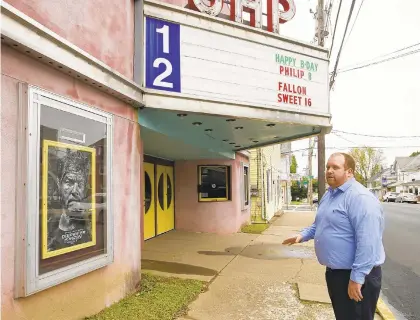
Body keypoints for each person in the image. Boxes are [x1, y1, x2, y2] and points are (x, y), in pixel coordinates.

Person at [282, 152, 385, 320]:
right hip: (336, 274)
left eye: (335, 167)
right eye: (328, 167)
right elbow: (320, 223)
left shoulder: (361, 198)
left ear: (349, 172)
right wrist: (302, 235)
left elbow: (368, 242)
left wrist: (356, 279)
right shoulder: (330, 194)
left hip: (357, 276)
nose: (329, 171)